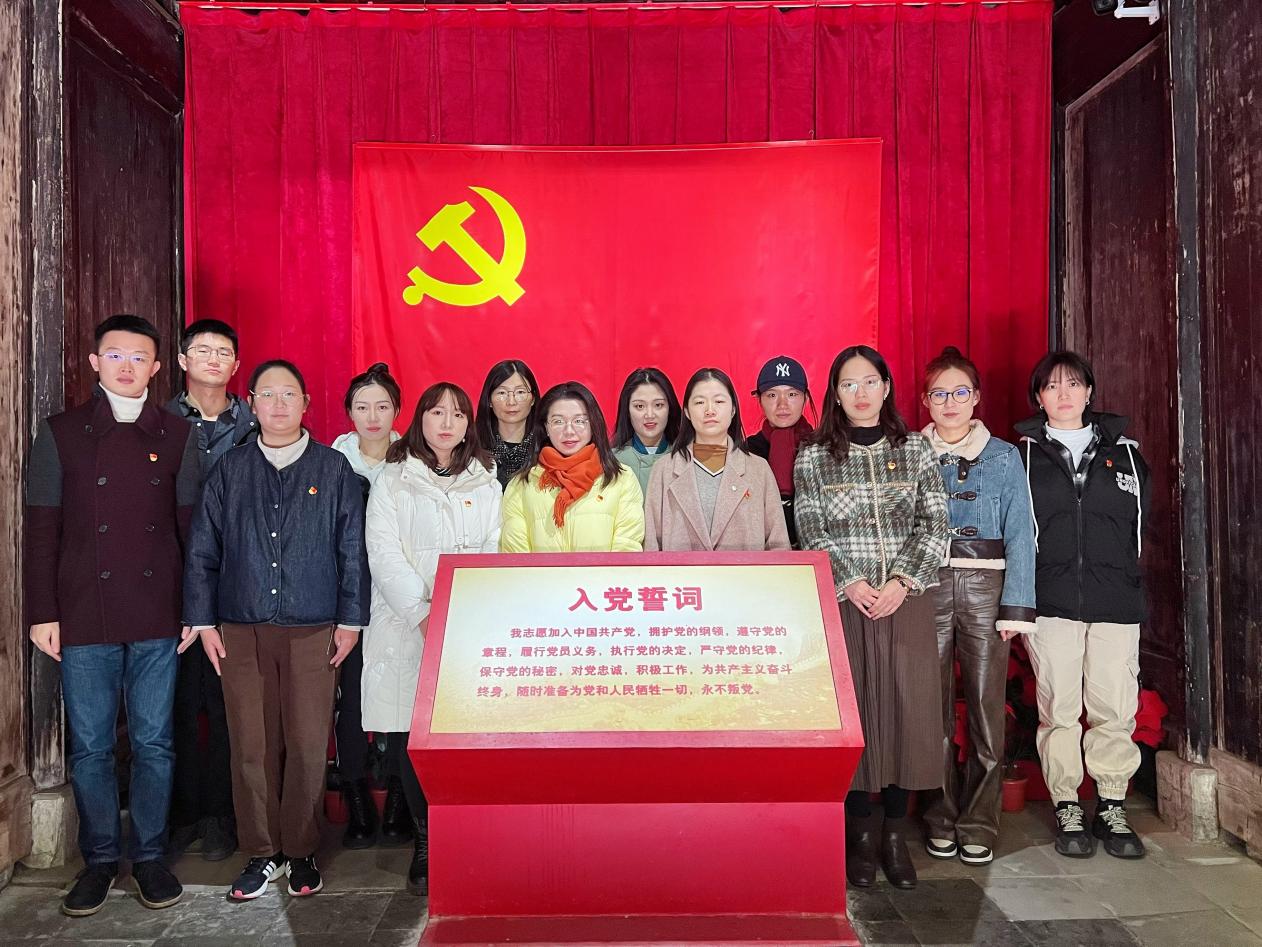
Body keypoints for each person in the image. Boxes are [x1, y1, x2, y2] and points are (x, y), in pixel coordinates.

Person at [25, 314, 200, 917]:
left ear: (157, 368)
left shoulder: (177, 434)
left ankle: (149, 856)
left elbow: (190, 532)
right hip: (83, 612)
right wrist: (42, 611)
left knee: (154, 742)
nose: (127, 366)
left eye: (139, 357)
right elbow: (41, 530)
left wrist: (195, 610)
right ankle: (99, 859)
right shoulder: (60, 432)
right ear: (95, 362)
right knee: (93, 746)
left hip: (157, 612)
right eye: (116, 355)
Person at [181, 359, 370, 901]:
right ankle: (262, 852)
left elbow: (351, 549)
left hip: (315, 625)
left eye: (289, 394)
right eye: (267, 394)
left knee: (308, 741)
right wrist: (202, 620)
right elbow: (203, 549)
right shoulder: (231, 468)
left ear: (306, 403)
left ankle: (302, 848)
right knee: (251, 742)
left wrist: (351, 620)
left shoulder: (332, 468)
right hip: (241, 626)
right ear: (252, 404)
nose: (279, 404)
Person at [793, 344, 947, 890]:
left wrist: (901, 582)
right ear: (835, 394)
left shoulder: (916, 449)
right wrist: (853, 582)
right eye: (848, 384)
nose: (860, 393)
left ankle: (894, 835)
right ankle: (859, 833)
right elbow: (811, 529)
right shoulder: (814, 456)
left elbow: (935, 523)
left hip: (906, 600)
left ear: (887, 388)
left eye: (870, 382)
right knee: (854, 716)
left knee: (907, 714)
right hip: (846, 604)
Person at [363, 382, 502, 895]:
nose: (447, 423)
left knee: (460, 736)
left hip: (466, 625)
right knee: (411, 735)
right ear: (420, 418)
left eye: (458, 414)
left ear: (469, 424)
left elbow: (494, 546)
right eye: (437, 412)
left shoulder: (486, 478)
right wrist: (424, 615)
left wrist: (459, 613)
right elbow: (383, 553)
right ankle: (424, 840)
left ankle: (464, 834)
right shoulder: (393, 478)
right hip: (408, 626)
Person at [1016, 350, 1149, 860]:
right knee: (1060, 709)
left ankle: (1112, 803)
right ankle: (1067, 802)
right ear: (1039, 398)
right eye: (1052, 386)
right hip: (1052, 602)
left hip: (1115, 600)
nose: (1064, 394)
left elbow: (1140, 528)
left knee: (1114, 707)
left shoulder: (1127, 455)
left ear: (1090, 391)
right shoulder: (1022, 458)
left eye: (1073, 384)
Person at [918, 346, 1037, 867]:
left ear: (976, 398)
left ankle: (980, 823)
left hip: (987, 589)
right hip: (925, 585)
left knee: (987, 710)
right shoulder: (910, 453)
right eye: (939, 393)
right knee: (931, 710)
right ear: (925, 401)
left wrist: (1017, 606)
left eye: (960, 392)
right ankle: (939, 816)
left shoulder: (1004, 456)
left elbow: (1021, 532)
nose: (950, 402)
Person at [165, 318, 257, 863]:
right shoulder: (157, 424)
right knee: (174, 705)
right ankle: (181, 814)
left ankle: (223, 814)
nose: (214, 359)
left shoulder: (255, 424)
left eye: (224, 351)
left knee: (229, 706)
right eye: (202, 350)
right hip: (167, 582)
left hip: (237, 583)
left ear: (236, 364)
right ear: (182, 360)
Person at [330, 362, 403, 850]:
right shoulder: (329, 461)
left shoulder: (412, 459)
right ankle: (355, 790)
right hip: (345, 599)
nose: (372, 416)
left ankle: (398, 793)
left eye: (382, 406)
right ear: (349, 412)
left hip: (398, 600)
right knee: (350, 698)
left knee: (400, 696)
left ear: (397, 411)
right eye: (362, 406)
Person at [643, 368, 789, 552]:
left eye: (719, 401)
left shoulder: (759, 470)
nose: (709, 410)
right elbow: (651, 548)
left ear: (733, 409)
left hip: (745, 572)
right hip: (682, 572)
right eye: (699, 402)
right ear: (687, 411)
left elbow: (778, 547)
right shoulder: (663, 470)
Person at [500, 381, 644, 553]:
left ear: (593, 424)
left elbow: (626, 550)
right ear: (546, 427)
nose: (569, 431)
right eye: (558, 421)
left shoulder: (621, 480)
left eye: (579, 421)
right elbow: (516, 558)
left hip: (603, 572)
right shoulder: (521, 486)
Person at [745, 356, 815, 547]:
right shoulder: (747, 451)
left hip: (815, 552)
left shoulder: (821, 446)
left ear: (805, 398)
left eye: (792, 394)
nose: (782, 404)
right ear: (759, 400)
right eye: (772, 395)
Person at [610, 367, 681, 494]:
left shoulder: (685, 458)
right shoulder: (611, 462)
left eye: (658, 405)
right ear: (627, 411)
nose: (649, 415)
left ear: (670, 408)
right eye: (640, 406)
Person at [475, 359, 540, 490]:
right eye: (502, 393)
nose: (511, 402)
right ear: (489, 400)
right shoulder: (472, 446)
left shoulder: (546, 447)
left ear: (532, 399)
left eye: (520, 392)